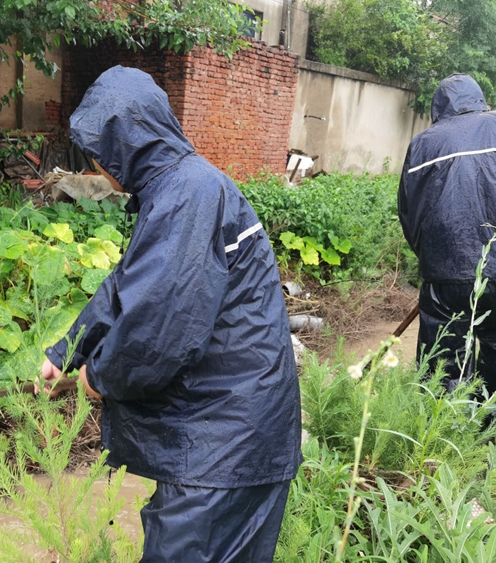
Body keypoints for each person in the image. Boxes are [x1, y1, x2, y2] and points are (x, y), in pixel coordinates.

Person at [39, 65, 302, 562]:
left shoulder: (188, 197)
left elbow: (158, 333)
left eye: (97, 154)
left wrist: (101, 377)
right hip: (230, 431)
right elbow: (125, 288)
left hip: (223, 442)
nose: (96, 168)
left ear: (121, 148)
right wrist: (66, 353)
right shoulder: (179, 189)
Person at [398, 73, 496, 413]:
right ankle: (492, 422)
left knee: (443, 354)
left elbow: (410, 214)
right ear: (479, 100)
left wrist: (432, 261)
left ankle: (443, 424)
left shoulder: (424, 143)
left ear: (439, 108)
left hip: (446, 270)